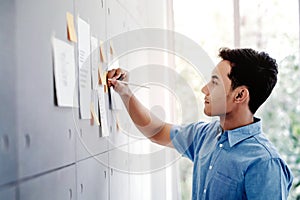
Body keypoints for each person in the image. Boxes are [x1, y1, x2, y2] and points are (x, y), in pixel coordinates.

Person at [107, 47, 293, 199]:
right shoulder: (205, 135)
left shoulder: (265, 163)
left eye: (215, 83)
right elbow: (157, 131)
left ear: (240, 95)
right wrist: (125, 92)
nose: (204, 89)